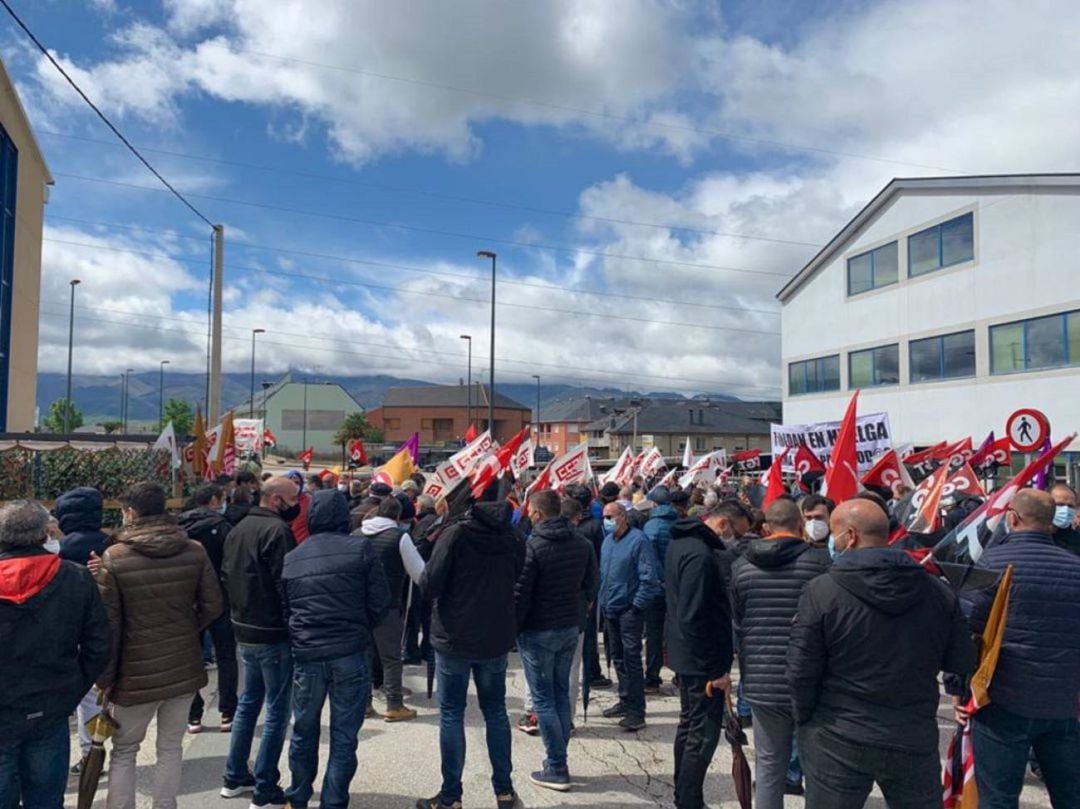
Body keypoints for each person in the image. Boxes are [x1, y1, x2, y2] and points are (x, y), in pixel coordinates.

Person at [788, 499, 976, 807]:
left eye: (834, 534)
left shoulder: (821, 591)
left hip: (838, 733)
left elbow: (800, 670)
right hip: (911, 730)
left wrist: (805, 718)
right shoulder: (937, 590)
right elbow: (961, 660)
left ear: (850, 536)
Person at [96, 482, 223, 809]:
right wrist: (185, 629)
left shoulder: (116, 556)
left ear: (131, 512)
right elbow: (213, 605)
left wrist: (104, 678)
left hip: (133, 673)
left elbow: (108, 625)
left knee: (124, 750)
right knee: (171, 747)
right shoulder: (193, 549)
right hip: (182, 666)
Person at [961, 489, 1080, 807]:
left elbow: (967, 632)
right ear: (1052, 522)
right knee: (1071, 795)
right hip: (1064, 703)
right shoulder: (1075, 567)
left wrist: (962, 690)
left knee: (998, 798)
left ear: (1012, 517)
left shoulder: (991, 563)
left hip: (1003, 700)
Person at [280, 489, 392, 809]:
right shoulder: (361, 549)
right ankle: (333, 801)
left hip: (307, 654)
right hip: (349, 651)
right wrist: (360, 625)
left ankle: (298, 795)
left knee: (303, 730)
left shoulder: (294, 556)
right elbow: (380, 601)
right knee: (344, 736)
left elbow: (286, 609)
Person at [415, 498, 525, 809]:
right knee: (496, 712)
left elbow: (429, 583)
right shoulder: (513, 535)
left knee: (452, 714)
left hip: (455, 635)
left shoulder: (456, 535)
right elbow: (517, 574)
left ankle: (451, 796)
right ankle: (504, 791)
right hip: (495, 634)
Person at [0, 500, 110, 808]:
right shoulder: (74, 577)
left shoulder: (73, 575)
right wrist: (73, 687)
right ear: (44, 533)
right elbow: (99, 644)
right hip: (51, 705)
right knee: (46, 798)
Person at [730, 499, 829, 807]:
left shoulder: (741, 567)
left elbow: (737, 623)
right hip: (814, 680)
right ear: (801, 525)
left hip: (761, 681)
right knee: (819, 768)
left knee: (769, 764)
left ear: (765, 528)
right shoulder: (822, 563)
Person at [221, 476, 300, 807]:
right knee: (277, 711)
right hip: (272, 632)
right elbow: (287, 584)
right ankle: (265, 787)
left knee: (248, 702)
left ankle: (235, 775)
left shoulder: (238, 528)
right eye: (295, 498)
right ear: (278, 500)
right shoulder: (277, 532)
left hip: (244, 627)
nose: (299, 503)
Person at [514, 490, 597, 792]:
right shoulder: (582, 543)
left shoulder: (533, 545)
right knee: (561, 693)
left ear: (537, 513)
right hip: (569, 627)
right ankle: (559, 760)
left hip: (538, 630)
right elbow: (592, 584)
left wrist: (514, 626)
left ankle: (557, 765)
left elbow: (520, 593)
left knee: (544, 699)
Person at [664, 498, 733, 809]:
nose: (733, 541)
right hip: (699, 660)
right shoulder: (701, 554)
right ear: (724, 523)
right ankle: (689, 799)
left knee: (689, 725)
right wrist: (714, 668)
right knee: (701, 735)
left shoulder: (681, 543)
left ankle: (685, 794)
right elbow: (694, 614)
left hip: (684, 651)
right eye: (736, 532)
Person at [55, 486, 112, 771]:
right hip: (111, 626)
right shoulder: (112, 543)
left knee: (86, 695)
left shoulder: (59, 550)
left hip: (72, 630)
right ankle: (106, 746)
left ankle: (91, 753)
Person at [356, 495, 425, 721]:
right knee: (391, 657)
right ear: (397, 516)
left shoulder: (355, 536)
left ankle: (364, 703)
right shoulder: (399, 537)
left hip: (359, 607)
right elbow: (419, 573)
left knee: (364, 655)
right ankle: (394, 704)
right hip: (388, 606)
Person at [179, 483, 239, 733]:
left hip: (186, 599)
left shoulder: (178, 527)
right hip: (220, 598)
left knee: (190, 658)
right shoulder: (224, 527)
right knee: (226, 655)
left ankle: (193, 715)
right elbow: (232, 564)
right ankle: (227, 712)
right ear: (214, 500)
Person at [598, 501, 662, 732]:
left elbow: (649, 578)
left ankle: (637, 710)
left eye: (611, 516)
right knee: (617, 657)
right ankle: (625, 699)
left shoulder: (639, 541)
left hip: (628, 611)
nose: (606, 520)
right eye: (604, 516)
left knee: (631, 658)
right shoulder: (607, 542)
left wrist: (636, 606)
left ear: (623, 517)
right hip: (610, 609)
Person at [566, 484, 612, 690]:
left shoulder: (568, 526)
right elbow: (602, 553)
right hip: (587, 586)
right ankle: (592, 672)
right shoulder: (595, 525)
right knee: (589, 632)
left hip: (570, 585)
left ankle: (587, 672)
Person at [642, 486, 677, 693]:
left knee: (654, 634)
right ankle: (680, 673)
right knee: (676, 631)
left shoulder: (650, 527)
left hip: (656, 587)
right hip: (675, 586)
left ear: (654, 504)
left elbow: (649, 560)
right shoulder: (678, 524)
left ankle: (652, 677)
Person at [1049, 482, 1080, 555]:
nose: (1066, 509)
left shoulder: (1077, 540)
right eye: (1060, 504)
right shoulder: (1036, 535)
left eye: (1070, 506)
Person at [285, 470, 313, 544]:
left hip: (303, 543)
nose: (294, 485)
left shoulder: (309, 501)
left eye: (297, 483)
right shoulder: (280, 500)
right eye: (291, 482)